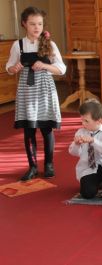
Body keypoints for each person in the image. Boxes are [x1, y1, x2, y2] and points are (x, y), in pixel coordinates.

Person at [6, 6, 66, 181]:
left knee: (47, 129)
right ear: (24, 24)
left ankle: (48, 164)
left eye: (39, 24)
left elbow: (61, 69)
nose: (36, 27)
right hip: (26, 91)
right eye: (32, 24)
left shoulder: (50, 44)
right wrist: (13, 68)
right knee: (29, 130)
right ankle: (32, 167)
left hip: (45, 90)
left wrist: (45, 66)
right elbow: (9, 67)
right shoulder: (18, 45)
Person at [69, 99, 102, 199]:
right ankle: (98, 183)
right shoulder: (80, 132)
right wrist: (76, 144)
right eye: (82, 120)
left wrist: (93, 141)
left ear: (99, 120)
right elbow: (73, 152)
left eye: (86, 121)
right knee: (87, 194)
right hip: (88, 169)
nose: (83, 123)